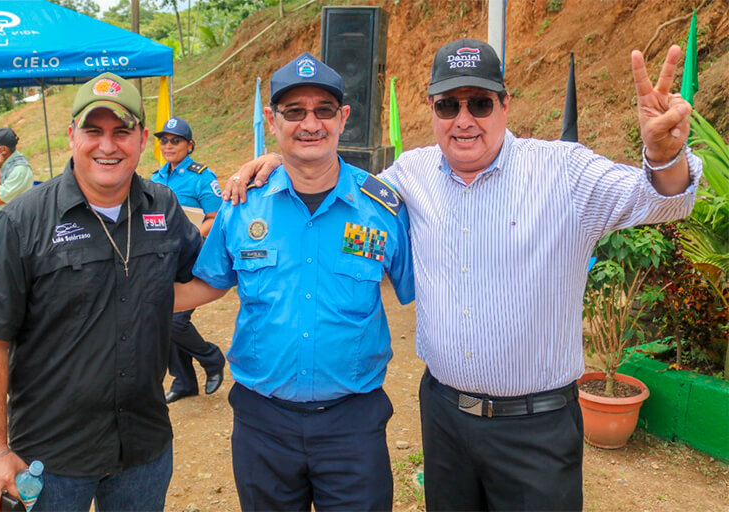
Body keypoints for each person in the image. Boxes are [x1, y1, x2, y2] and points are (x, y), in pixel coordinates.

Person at [225, 40, 701, 511]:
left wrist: (663, 157)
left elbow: (661, 198)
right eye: (449, 104)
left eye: (480, 102)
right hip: (445, 421)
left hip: (535, 429)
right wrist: (283, 162)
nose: (464, 119)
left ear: (505, 104)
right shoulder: (410, 174)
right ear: (432, 107)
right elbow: (338, 185)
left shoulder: (563, 171)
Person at [175, 52, 414, 511]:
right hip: (263, 424)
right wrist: (126, 299)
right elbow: (210, 283)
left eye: (324, 110)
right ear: (272, 119)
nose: (311, 123)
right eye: (294, 111)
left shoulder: (382, 208)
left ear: (343, 118)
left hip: (353, 424)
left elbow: (427, 285)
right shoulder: (242, 204)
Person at [0, 72, 202, 512]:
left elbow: (202, 278)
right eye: (93, 131)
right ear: (73, 135)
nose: (107, 146)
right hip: (51, 458)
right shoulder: (22, 222)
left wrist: (268, 171)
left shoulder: (163, 207)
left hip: (143, 449)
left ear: (142, 138)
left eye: (121, 132)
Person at [151, 116, 226, 402]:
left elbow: (215, 217)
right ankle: (183, 381)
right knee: (162, 317)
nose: (168, 145)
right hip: (163, 258)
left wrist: (188, 234)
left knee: (175, 320)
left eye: (175, 140)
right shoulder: (156, 177)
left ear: (189, 145)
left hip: (192, 256)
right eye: (164, 140)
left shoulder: (201, 177)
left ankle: (211, 357)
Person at [0, 127, 34, 225]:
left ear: (3, 149)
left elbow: (0, 199)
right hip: (0, 223)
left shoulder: (20, 169)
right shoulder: (5, 164)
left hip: (11, 226)